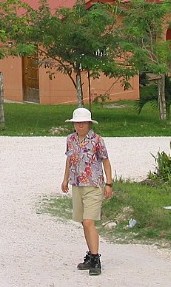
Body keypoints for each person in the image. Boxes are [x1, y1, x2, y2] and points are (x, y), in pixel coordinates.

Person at [60, 107, 113, 276]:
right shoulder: (70, 139)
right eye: (77, 123)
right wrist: (65, 179)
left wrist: (109, 184)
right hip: (77, 185)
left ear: (89, 124)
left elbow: (105, 161)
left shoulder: (97, 140)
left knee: (89, 221)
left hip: (93, 185)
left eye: (83, 123)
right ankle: (90, 254)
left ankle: (96, 258)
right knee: (83, 221)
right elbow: (69, 160)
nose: (80, 126)